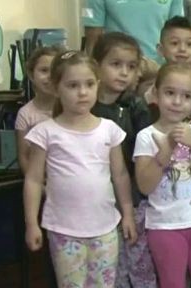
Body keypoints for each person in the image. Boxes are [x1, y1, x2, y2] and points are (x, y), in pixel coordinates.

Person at [23, 51, 137, 287]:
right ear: (56, 88)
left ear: (97, 85)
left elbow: (121, 175)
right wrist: (31, 222)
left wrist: (127, 214)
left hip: (105, 229)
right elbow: (33, 180)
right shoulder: (46, 132)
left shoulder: (109, 130)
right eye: (73, 85)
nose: (82, 92)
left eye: (88, 84)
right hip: (64, 230)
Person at [134, 63, 191, 288]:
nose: (176, 101)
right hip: (164, 227)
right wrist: (164, 153)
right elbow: (144, 185)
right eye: (170, 93)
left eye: (186, 96)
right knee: (172, 283)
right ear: (156, 93)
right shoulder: (146, 136)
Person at [90, 32, 157, 288]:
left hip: (133, 196)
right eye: (115, 64)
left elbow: (145, 152)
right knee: (110, 267)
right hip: (97, 200)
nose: (124, 73)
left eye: (131, 66)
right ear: (96, 65)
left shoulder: (135, 106)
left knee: (139, 261)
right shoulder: (87, 106)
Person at [16, 46, 61, 174]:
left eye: (55, 71)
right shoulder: (26, 114)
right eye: (44, 70)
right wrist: (36, 184)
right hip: (39, 178)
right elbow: (24, 157)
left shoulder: (70, 109)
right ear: (31, 75)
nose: (50, 77)